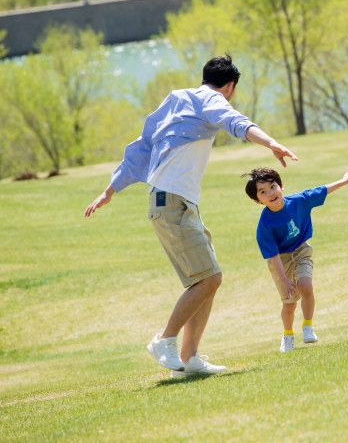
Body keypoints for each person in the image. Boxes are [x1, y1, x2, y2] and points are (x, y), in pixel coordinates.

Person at [84, 54, 298, 377]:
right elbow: (236, 123)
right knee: (209, 278)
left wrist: (111, 189)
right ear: (230, 88)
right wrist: (271, 143)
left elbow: (142, 146)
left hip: (175, 201)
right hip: (173, 202)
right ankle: (164, 340)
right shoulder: (212, 99)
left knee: (209, 276)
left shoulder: (176, 99)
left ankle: (188, 359)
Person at [245, 167, 348, 352]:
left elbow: (322, 190)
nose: (271, 193)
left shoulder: (299, 201)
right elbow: (272, 255)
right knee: (289, 304)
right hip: (280, 261)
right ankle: (288, 335)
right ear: (258, 201)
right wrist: (284, 280)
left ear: (281, 185)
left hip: (300, 251)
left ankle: (308, 326)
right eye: (263, 192)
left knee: (305, 285)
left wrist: (343, 180)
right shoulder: (265, 225)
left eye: (273, 186)